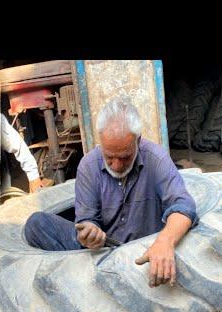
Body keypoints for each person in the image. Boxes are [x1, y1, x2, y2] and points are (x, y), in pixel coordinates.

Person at [23, 97, 198, 288]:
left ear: (138, 141)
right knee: (36, 223)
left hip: (144, 251)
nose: (116, 165)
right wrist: (89, 232)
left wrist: (165, 242)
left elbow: (183, 207)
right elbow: (86, 220)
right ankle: (85, 283)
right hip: (102, 253)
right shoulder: (88, 166)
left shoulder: (156, 158)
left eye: (125, 157)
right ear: (101, 141)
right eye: (109, 156)